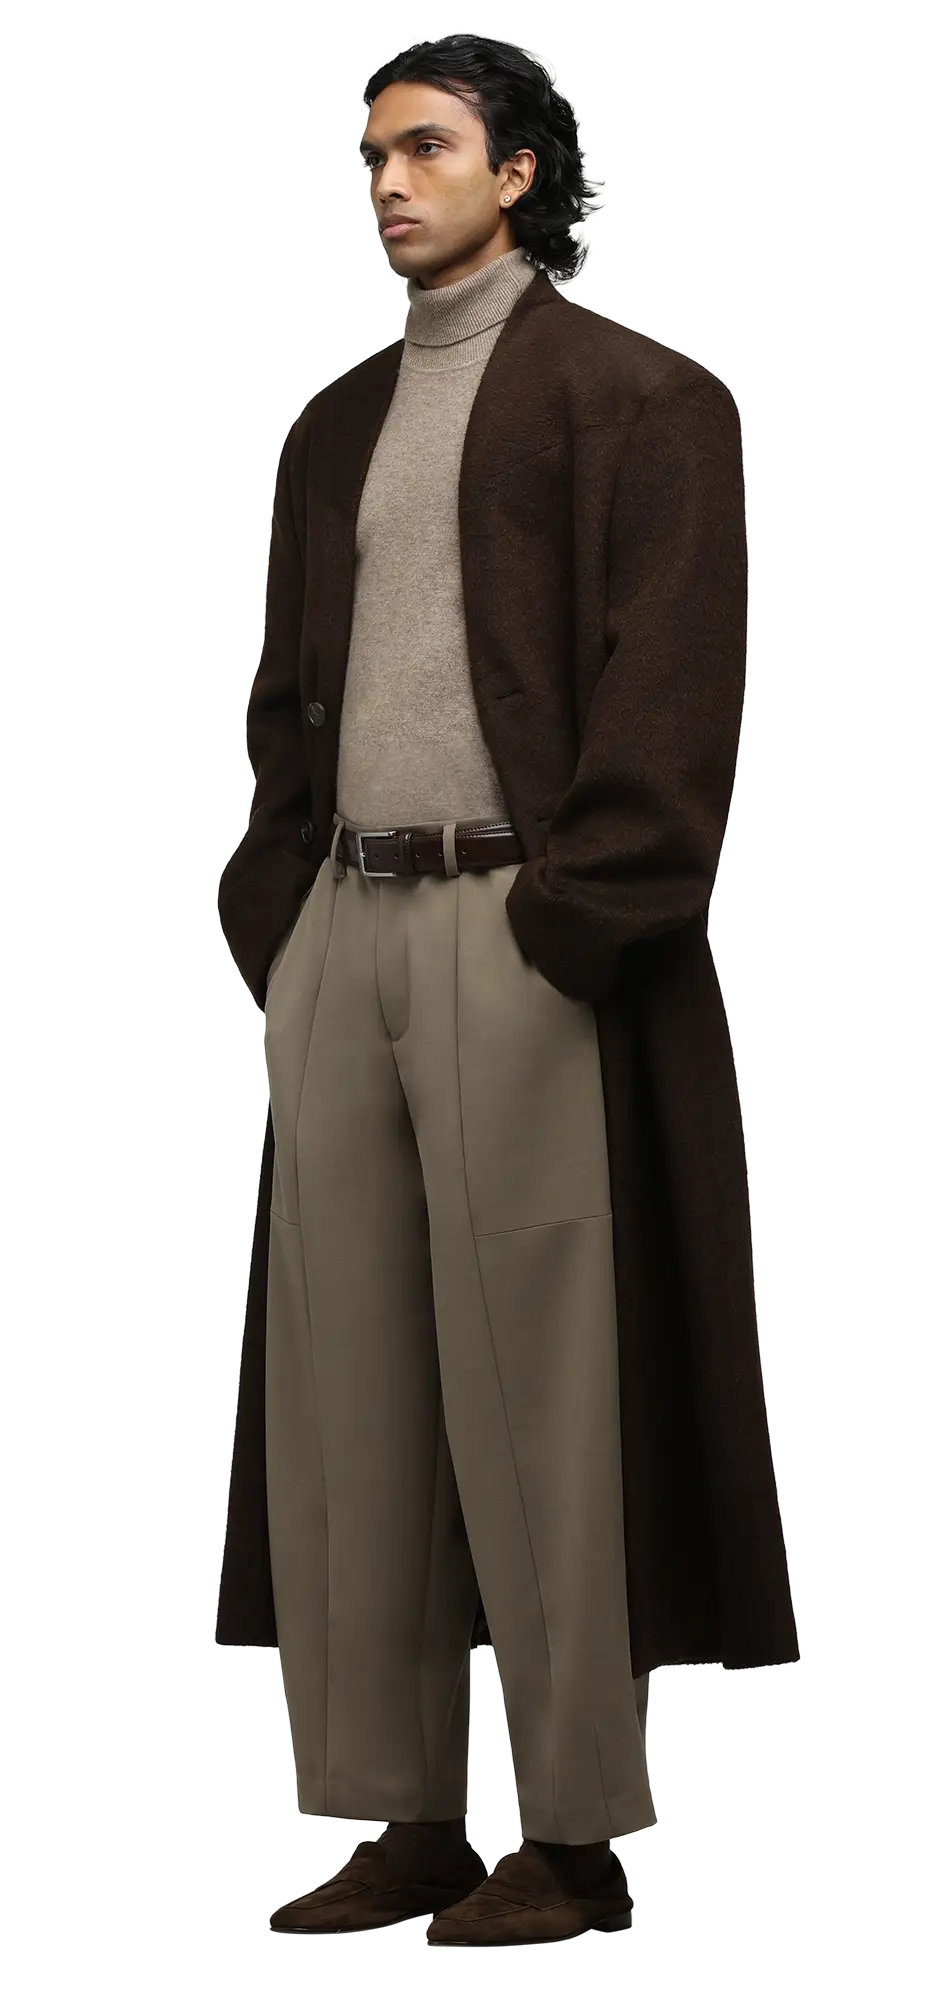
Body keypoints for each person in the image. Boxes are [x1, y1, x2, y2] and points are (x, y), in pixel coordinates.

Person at [214, 32, 799, 1951]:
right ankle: (405, 1820)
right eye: (370, 156)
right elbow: (284, 695)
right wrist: (277, 906)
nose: (388, 184)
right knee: (350, 1392)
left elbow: (673, 694)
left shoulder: (641, 401)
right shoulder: (332, 424)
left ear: (519, 170)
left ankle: (570, 1841)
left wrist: (577, 917)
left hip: (520, 932)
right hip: (344, 930)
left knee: (546, 1387)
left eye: (425, 148)